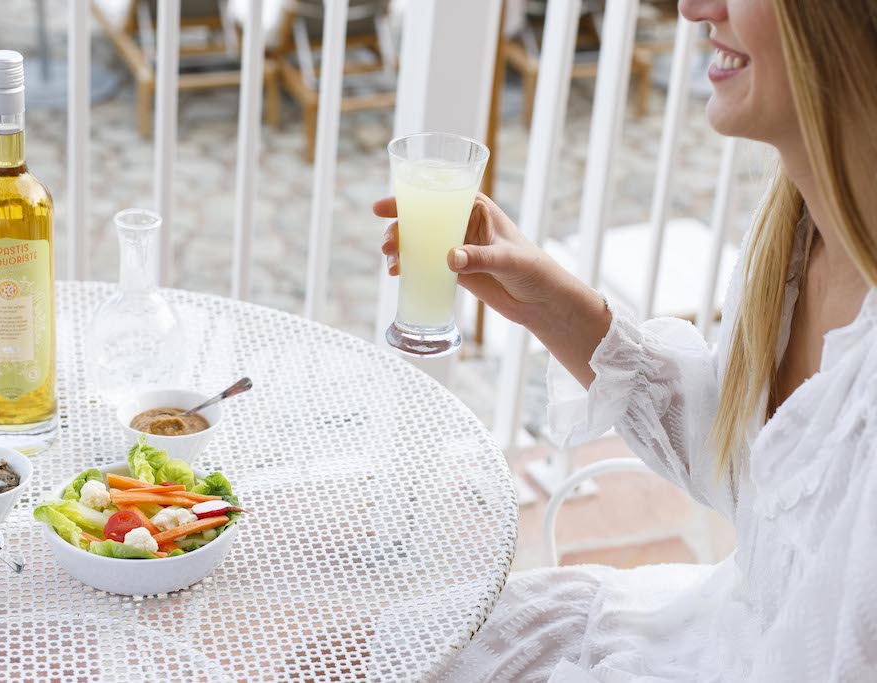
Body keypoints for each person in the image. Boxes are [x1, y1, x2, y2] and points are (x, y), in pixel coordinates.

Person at [375, 0, 877, 680]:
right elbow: (752, 473)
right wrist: (558, 306)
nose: (693, 8)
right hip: (705, 633)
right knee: (390, 646)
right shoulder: (795, 234)